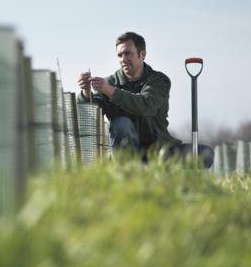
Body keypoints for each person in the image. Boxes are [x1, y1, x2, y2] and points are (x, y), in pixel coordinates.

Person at [77, 31, 214, 168]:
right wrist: (85, 92)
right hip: (128, 153)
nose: (123, 59)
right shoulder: (109, 83)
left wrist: (111, 92)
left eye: (128, 53)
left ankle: (153, 169)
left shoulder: (159, 81)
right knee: (121, 124)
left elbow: (146, 105)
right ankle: (127, 173)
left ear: (142, 55)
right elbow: (92, 114)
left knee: (205, 153)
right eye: (120, 55)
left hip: (161, 151)